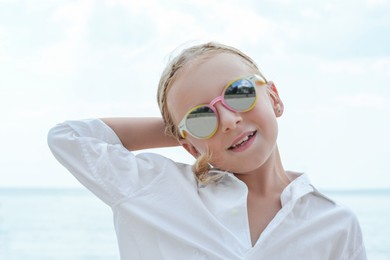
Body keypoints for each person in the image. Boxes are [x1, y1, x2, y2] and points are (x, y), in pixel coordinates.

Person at [48, 42, 366, 259]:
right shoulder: (154, 189)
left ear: (274, 97)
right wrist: (186, 132)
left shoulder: (336, 224)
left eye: (240, 93)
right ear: (186, 144)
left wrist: (198, 129)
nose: (228, 120)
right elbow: (69, 137)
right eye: (201, 117)